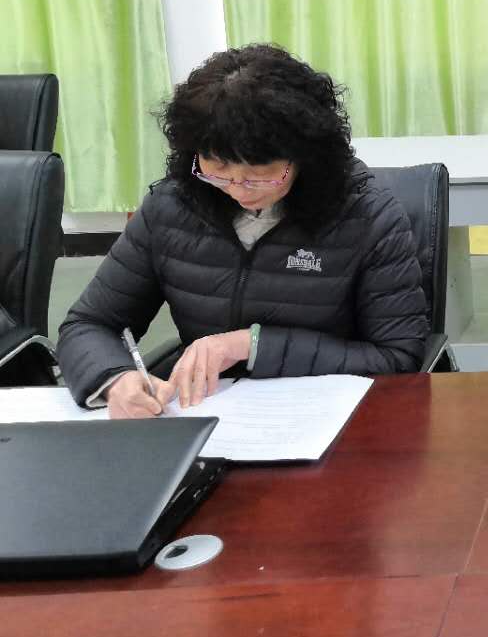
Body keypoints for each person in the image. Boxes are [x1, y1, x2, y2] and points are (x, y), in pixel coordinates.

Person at [57, 44, 429, 417]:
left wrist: (252, 346)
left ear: (306, 157)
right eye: (218, 168)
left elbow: (398, 358)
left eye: (261, 172)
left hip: (334, 420)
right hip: (209, 415)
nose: (238, 188)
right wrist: (115, 379)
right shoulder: (170, 208)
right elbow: (89, 324)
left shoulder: (368, 217)